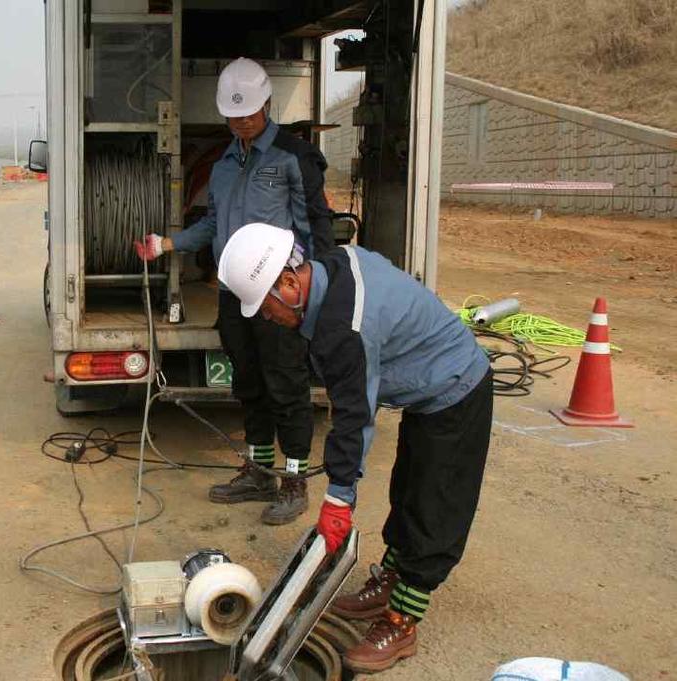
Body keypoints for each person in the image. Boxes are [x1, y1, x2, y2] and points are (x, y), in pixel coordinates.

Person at [217, 223, 494, 674]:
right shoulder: (332, 265)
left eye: (265, 308)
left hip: (456, 388)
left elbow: (353, 417)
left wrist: (338, 499)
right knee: (407, 489)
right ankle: (389, 581)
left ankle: (402, 622)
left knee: (434, 505)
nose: (267, 318)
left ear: (289, 283)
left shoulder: (347, 324)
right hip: (424, 395)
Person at [134, 57, 334, 526]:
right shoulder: (223, 165)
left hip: (279, 296)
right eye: (233, 115)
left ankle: (294, 481)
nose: (242, 121)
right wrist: (167, 244)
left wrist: (319, 286)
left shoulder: (294, 156)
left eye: (249, 113)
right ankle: (259, 471)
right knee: (248, 385)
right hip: (234, 292)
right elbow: (211, 224)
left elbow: (316, 226)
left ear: (267, 103)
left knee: (286, 387)